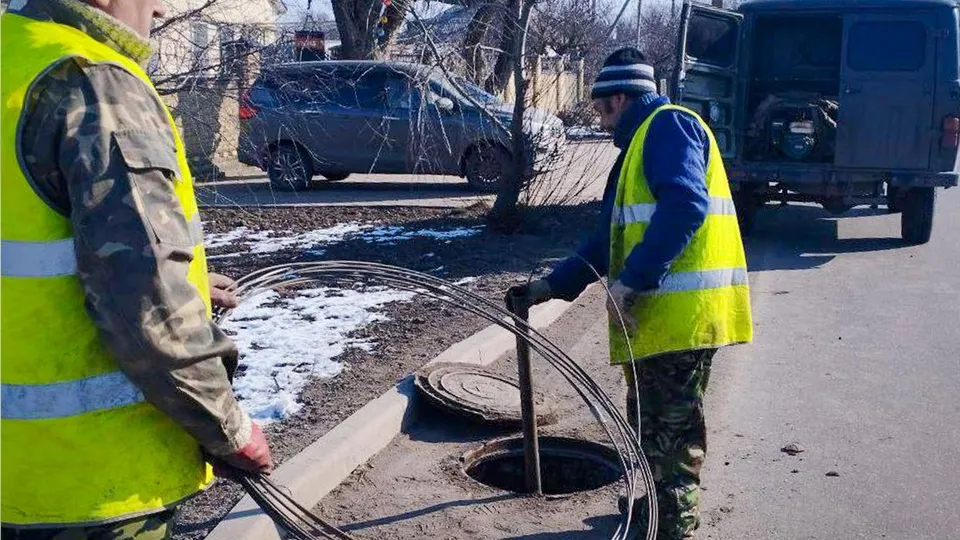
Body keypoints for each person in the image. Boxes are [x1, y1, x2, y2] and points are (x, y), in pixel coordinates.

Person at [0, 0, 273, 537]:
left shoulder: (13, 57)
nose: (162, 7)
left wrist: (187, 280)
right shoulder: (92, 82)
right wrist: (228, 428)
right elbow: (147, 300)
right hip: (87, 485)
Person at [506, 47, 753, 539]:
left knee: (672, 429)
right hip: (664, 319)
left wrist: (633, 280)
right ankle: (657, 504)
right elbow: (608, 240)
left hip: (681, 317)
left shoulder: (668, 127)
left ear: (620, 99)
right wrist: (550, 286)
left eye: (602, 110)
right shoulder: (642, 145)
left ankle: (672, 524)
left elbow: (685, 206)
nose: (601, 123)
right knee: (651, 422)